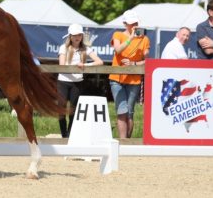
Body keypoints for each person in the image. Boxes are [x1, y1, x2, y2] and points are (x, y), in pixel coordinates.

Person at [109, 10, 150, 139]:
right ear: (125, 23)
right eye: (131, 23)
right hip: (117, 79)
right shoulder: (118, 35)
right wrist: (131, 38)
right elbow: (117, 49)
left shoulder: (145, 39)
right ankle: (122, 142)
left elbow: (147, 61)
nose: (134, 25)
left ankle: (127, 143)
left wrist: (134, 64)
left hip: (134, 80)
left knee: (130, 113)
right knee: (122, 111)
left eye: (136, 23)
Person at [57, 23, 103, 138]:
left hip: (77, 82)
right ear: (70, 36)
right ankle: (63, 134)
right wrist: (73, 67)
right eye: (74, 35)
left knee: (73, 109)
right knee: (61, 109)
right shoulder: (63, 47)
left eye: (79, 35)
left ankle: (70, 134)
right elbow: (61, 64)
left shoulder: (86, 49)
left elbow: (99, 62)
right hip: (63, 81)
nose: (77, 37)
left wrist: (85, 65)